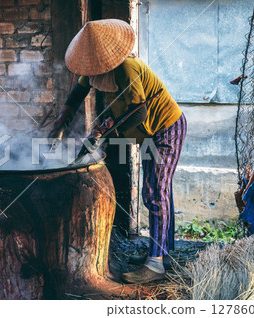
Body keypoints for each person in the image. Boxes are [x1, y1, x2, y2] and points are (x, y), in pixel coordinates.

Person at [49, 19, 186, 284]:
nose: (88, 72)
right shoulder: (93, 70)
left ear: (104, 58)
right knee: (159, 190)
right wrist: (61, 120)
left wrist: (102, 133)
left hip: (166, 128)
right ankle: (163, 254)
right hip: (148, 133)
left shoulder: (127, 68)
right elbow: (77, 94)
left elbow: (139, 112)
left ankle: (156, 264)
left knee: (155, 192)